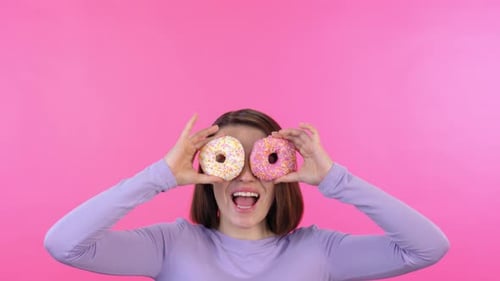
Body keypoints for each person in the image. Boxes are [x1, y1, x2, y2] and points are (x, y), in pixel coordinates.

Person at [44, 108, 449, 280]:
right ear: (209, 172)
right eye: (229, 162)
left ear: (281, 174)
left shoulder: (321, 252)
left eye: (261, 162)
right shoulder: (170, 245)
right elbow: (65, 245)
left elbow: (427, 247)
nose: (245, 178)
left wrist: (333, 179)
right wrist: (162, 175)